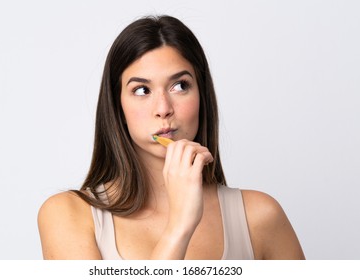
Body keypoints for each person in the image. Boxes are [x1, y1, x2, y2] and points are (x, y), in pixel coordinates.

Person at [38, 15, 305, 260]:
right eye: (142, 90)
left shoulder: (260, 218)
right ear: (117, 106)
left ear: (202, 96)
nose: (164, 108)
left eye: (180, 86)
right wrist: (179, 226)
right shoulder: (67, 216)